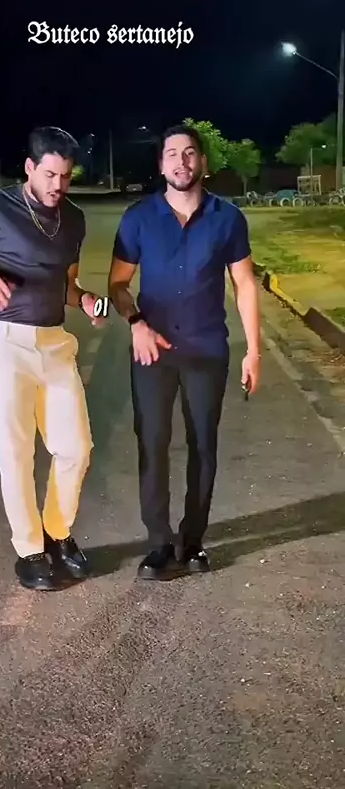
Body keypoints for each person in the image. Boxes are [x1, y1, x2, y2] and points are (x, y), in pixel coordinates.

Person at [0, 126, 106, 591]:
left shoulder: (73, 219)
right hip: (3, 341)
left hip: (54, 341)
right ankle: (30, 550)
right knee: (15, 452)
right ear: (30, 168)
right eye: (50, 174)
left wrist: (85, 300)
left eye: (66, 176)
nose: (58, 185)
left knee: (75, 448)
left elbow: (67, 284)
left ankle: (57, 532)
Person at [108, 123, 261, 580]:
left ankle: (193, 541)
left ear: (203, 162)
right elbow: (118, 284)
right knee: (153, 444)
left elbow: (244, 284)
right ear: (161, 165)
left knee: (203, 446)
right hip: (152, 350)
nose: (181, 161)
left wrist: (254, 350)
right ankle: (159, 544)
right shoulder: (138, 218)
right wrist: (135, 323)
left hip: (206, 348)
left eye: (190, 152)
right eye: (172, 153)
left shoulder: (227, 218)